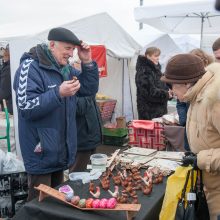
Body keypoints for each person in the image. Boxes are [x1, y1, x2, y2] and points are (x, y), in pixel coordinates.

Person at [13, 27, 99, 201]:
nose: (71, 53)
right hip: (40, 152)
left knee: (55, 203)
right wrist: (57, 93)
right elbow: (25, 107)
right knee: (39, 204)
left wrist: (87, 62)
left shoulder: (65, 69)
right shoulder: (29, 68)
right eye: (68, 48)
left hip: (61, 150)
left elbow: (89, 89)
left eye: (73, 49)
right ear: (52, 44)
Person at [161, 53, 220, 220]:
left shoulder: (215, 101)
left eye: (171, 86)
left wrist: (201, 159)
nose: (171, 92)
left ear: (186, 83)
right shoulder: (197, 96)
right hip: (209, 185)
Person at [176, 48, 214, 151]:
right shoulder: (188, 78)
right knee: (189, 152)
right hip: (190, 128)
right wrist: (184, 119)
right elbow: (180, 102)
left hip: (205, 134)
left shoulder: (212, 80)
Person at [69, 59, 102, 172]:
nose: (81, 65)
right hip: (81, 137)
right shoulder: (71, 81)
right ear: (73, 64)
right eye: (78, 62)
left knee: (91, 173)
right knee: (78, 173)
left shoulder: (84, 81)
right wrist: (90, 94)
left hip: (90, 135)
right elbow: (78, 108)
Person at [135, 47, 172, 120]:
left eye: (158, 56)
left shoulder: (156, 70)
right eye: (155, 56)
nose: (158, 58)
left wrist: (169, 92)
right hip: (149, 112)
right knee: (150, 131)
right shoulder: (144, 71)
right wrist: (166, 94)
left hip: (159, 110)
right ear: (148, 56)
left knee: (159, 130)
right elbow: (149, 92)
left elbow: (161, 85)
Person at [0, 45, 13, 114]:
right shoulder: (7, 67)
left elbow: (4, 92)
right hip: (8, 104)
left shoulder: (8, 68)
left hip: (9, 107)